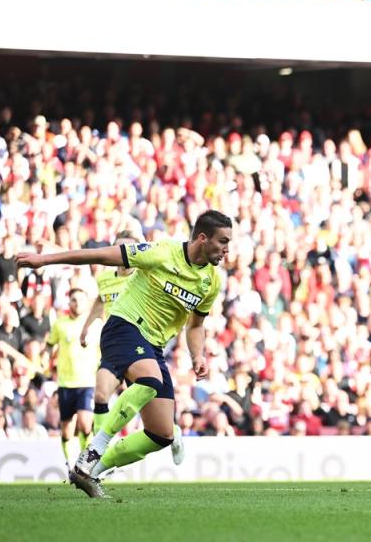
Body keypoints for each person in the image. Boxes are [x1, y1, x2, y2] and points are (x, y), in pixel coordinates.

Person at [16, 210, 231, 498]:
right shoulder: (162, 252)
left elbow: (196, 325)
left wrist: (198, 356)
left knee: (161, 433)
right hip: (124, 326)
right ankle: (94, 447)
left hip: (153, 346)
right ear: (202, 238)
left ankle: (91, 470)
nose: (227, 249)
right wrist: (44, 261)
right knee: (148, 381)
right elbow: (101, 256)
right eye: (222, 241)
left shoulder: (211, 282)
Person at [80, 229, 185, 465]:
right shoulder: (105, 279)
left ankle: (171, 428)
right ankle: (97, 451)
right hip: (115, 344)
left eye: (128, 248)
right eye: (119, 248)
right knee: (100, 393)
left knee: (148, 394)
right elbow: (101, 300)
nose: (123, 254)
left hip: (141, 342)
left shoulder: (144, 276)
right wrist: (86, 327)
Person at [48, 288, 98, 470]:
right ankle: (70, 466)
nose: (77, 304)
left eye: (81, 300)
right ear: (69, 302)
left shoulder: (94, 326)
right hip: (65, 383)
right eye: (74, 300)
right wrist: (48, 364)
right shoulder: (60, 324)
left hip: (87, 383)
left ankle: (85, 465)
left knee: (85, 425)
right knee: (67, 431)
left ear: (87, 303)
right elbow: (49, 345)